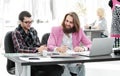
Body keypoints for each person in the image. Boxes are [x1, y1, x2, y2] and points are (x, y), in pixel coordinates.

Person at [12, 11, 64, 76]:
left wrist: (43, 48)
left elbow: (38, 45)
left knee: (58, 69)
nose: (29, 24)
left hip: (37, 59)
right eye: (26, 22)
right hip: (26, 62)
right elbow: (20, 49)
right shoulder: (16, 32)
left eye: (31, 22)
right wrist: (37, 49)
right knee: (37, 73)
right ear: (20, 22)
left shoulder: (33, 30)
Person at [47, 12, 92, 76]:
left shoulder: (79, 31)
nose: (67, 23)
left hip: (73, 59)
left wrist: (82, 48)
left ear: (75, 24)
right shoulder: (55, 30)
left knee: (81, 66)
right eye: (66, 21)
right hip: (60, 60)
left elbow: (90, 44)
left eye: (71, 22)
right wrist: (58, 49)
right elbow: (49, 45)